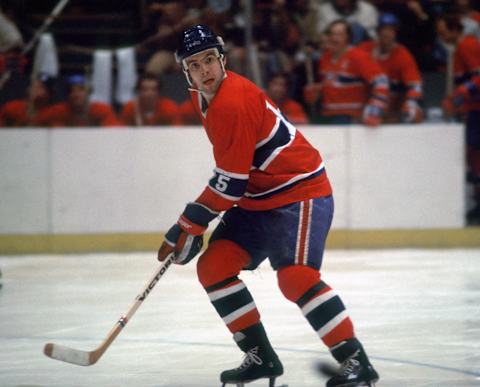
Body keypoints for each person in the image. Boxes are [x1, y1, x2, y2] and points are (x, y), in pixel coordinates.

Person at [157, 24, 379, 387]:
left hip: (300, 191)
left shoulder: (232, 100)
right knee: (213, 267)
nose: (204, 71)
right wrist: (196, 223)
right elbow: (234, 174)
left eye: (210, 60)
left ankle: (356, 362)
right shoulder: (202, 97)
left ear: (223, 59)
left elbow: (231, 183)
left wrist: (189, 224)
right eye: (195, 65)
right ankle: (260, 358)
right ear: (186, 72)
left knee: (296, 278)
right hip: (258, 196)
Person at [304, 19, 389, 126]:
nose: (334, 38)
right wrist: (317, 91)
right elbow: (334, 83)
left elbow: (381, 82)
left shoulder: (358, 56)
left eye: (339, 34)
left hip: (351, 118)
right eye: (331, 34)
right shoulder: (325, 58)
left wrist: (374, 110)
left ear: (348, 37)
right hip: (328, 116)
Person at [437, 14, 480, 225]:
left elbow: (478, 77)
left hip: (477, 111)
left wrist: (458, 95)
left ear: (455, 30)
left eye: (443, 31)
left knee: (474, 157)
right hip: (472, 110)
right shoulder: (458, 49)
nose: (441, 36)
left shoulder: (467, 46)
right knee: (472, 158)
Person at [359, 13, 424, 123]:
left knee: (414, 112)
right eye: (383, 29)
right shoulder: (365, 49)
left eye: (390, 29)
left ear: (396, 32)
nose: (386, 33)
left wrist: (411, 104)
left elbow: (415, 86)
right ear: (378, 31)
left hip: (393, 110)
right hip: (366, 107)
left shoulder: (403, 55)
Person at [39, 74, 120, 127]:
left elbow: (115, 134)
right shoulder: (58, 111)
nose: (76, 94)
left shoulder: (101, 110)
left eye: (81, 89)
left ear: (89, 92)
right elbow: (33, 127)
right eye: (71, 90)